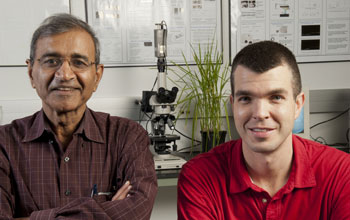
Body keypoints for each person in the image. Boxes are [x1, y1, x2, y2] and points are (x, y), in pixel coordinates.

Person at [0, 13, 157, 219]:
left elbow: (137, 210)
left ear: (97, 76)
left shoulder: (127, 137)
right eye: (51, 61)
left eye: (79, 62)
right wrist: (103, 211)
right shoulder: (4, 144)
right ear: (31, 73)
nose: (64, 74)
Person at [177, 41, 350, 219]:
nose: (260, 114)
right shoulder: (199, 176)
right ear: (233, 105)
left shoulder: (342, 172)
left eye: (275, 97)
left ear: (297, 105)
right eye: (245, 98)